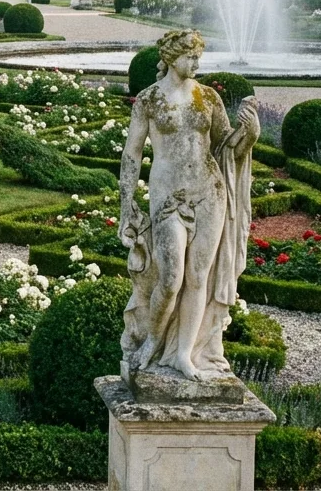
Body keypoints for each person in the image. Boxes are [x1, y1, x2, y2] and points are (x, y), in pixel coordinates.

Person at [118, 29, 258, 383]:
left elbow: (227, 147)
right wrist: (127, 205)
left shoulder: (209, 98)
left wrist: (250, 134)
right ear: (170, 57)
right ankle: (151, 341)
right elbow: (132, 154)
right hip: (168, 200)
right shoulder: (150, 100)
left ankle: (183, 354)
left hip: (209, 192)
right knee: (170, 278)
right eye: (190, 57)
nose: (196, 63)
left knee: (198, 278)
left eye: (199, 57)